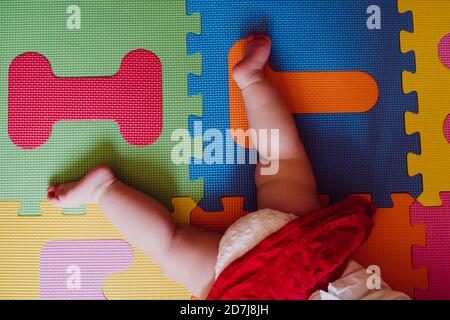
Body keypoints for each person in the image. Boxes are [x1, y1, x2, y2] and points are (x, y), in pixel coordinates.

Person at [47, 34, 409, 300]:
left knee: (281, 161)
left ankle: (251, 78)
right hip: (247, 291)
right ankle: (104, 191)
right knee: (168, 245)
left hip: (301, 250)